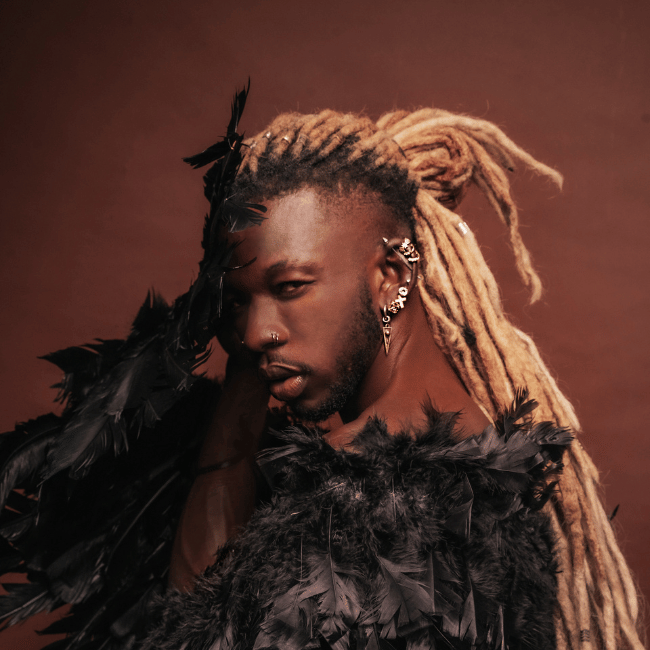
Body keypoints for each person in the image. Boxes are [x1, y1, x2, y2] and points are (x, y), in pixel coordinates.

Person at [0, 92, 643, 650]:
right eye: (239, 301)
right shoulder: (443, 456)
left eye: (291, 285)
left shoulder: (393, 513)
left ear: (391, 276)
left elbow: (186, 629)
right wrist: (250, 379)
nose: (254, 333)